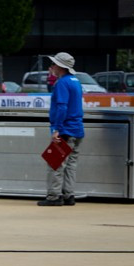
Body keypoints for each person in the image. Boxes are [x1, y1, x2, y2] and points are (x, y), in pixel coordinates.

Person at [41, 51, 84, 207]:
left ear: (60, 67)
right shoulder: (76, 81)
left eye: (53, 64)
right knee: (71, 164)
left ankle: (53, 196)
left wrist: (57, 129)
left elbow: (61, 107)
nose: (51, 67)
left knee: (55, 163)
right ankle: (69, 195)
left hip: (64, 130)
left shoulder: (62, 83)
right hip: (77, 129)